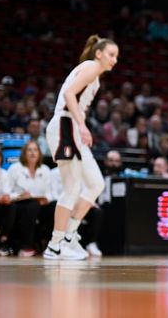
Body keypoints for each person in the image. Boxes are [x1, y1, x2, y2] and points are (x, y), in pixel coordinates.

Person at [43, 35, 117, 261]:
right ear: (99, 54)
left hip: (72, 128)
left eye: (116, 56)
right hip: (65, 124)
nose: (114, 60)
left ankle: (69, 235)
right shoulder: (92, 67)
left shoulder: (95, 74)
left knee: (96, 183)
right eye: (111, 55)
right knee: (72, 187)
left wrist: (80, 127)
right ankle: (55, 245)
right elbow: (68, 94)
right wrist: (83, 126)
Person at [8, 140, 52, 256]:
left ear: (39, 153)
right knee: (32, 206)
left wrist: (46, 199)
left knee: (55, 207)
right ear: (24, 153)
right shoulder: (14, 168)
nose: (33, 153)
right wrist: (19, 196)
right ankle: (26, 246)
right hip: (20, 205)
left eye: (35, 150)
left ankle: (52, 245)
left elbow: (50, 193)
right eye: (29, 150)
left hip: (41, 205)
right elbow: (7, 192)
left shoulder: (45, 169)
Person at [0, 146, 16, 256]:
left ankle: (3, 241)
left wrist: (6, 197)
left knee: (11, 207)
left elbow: (7, 192)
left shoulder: (5, 174)